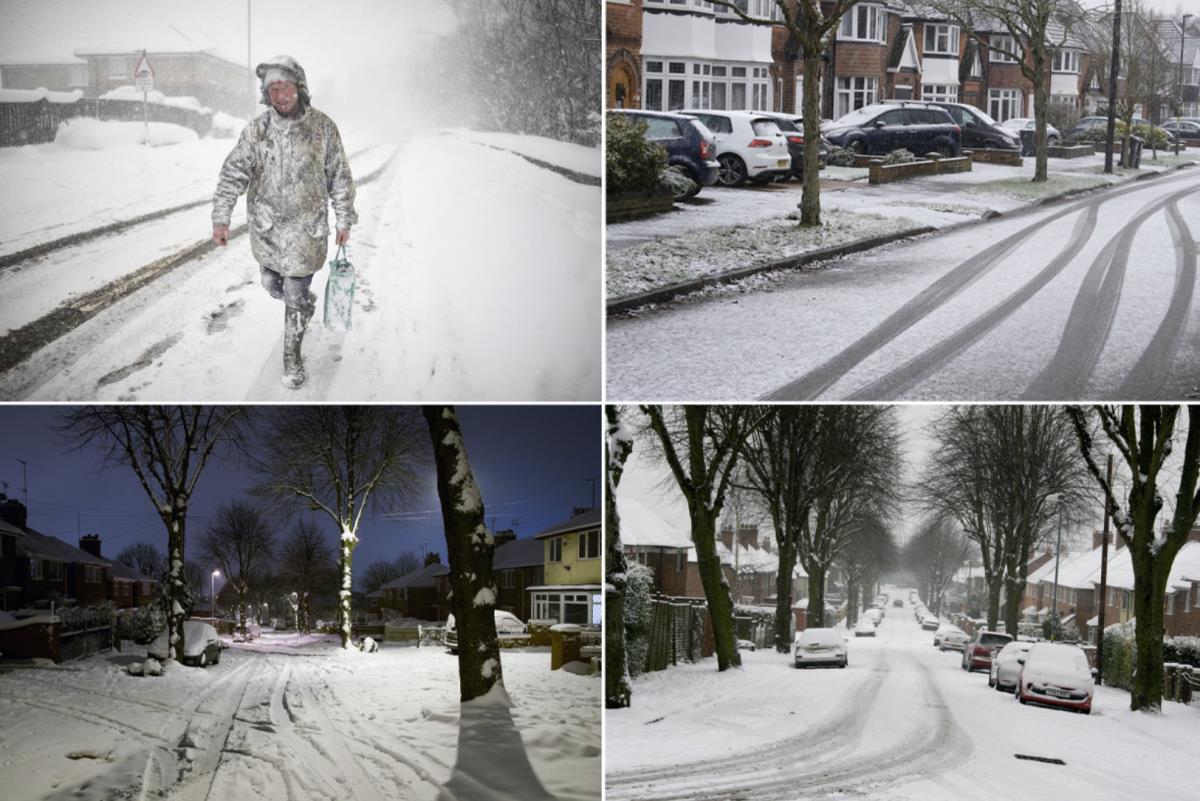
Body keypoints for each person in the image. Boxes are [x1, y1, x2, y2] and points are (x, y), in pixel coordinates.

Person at [211, 55, 356, 389]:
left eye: (285, 87)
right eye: (272, 89)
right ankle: (302, 304)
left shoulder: (322, 128)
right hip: (268, 231)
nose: (280, 95)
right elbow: (233, 173)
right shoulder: (257, 131)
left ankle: (292, 357)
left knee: (293, 291)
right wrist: (221, 219)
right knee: (272, 284)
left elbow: (339, 177)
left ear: (299, 88)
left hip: (307, 231)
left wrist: (344, 219)